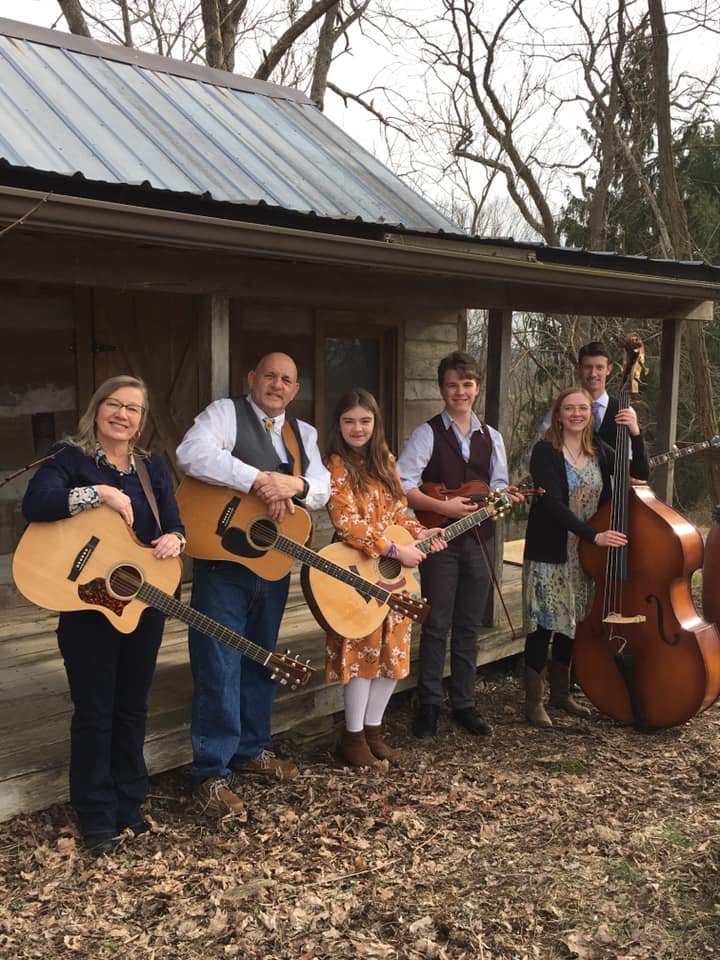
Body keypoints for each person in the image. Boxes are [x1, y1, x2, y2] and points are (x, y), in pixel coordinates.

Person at [22, 376, 185, 856]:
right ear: (96, 410)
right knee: (94, 711)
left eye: (133, 408)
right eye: (114, 404)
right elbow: (36, 504)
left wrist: (176, 538)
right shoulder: (68, 458)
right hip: (86, 606)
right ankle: (95, 815)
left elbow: (173, 522)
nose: (123, 414)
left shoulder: (152, 466)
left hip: (142, 600)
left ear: (141, 420)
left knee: (132, 707)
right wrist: (100, 494)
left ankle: (129, 805)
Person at [175, 352, 330, 817]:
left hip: (272, 564)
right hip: (222, 561)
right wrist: (259, 479)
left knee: (261, 657)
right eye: (269, 376)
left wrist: (293, 486)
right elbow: (192, 454)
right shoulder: (224, 413)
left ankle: (250, 750)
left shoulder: (304, 434)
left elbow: (322, 488)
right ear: (252, 378)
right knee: (217, 663)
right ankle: (210, 772)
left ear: (295, 388)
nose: (277, 385)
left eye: (287, 379)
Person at [397, 350, 519, 740]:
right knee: (437, 623)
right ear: (441, 389)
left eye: (467, 385)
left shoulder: (492, 437)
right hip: (439, 542)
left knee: (467, 626)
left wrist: (506, 498)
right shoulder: (427, 433)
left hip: (479, 541)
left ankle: (464, 703)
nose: (460, 392)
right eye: (452, 385)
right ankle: (429, 702)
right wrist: (441, 507)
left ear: (476, 388)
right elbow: (402, 484)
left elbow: (498, 485)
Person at [324, 389, 446, 768]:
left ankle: (374, 733)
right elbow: (346, 524)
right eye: (349, 421)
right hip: (356, 569)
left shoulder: (385, 461)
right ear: (338, 424)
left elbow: (399, 513)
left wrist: (418, 532)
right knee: (361, 653)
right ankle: (352, 737)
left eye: (365, 421)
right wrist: (395, 550)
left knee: (392, 651)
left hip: (394, 573)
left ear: (376, 423)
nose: (357, 428)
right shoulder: (335, 465)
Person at [522, 387, 649, 726]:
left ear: (591, 414)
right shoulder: (544, 453)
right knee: (543, 625)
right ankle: (533, 701)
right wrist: (594, 535)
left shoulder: (601, 451)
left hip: (584, 554)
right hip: (551, 551)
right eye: (569, 408)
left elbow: (641, 475)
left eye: (583, 408)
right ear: (558, 415)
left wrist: (635, 433)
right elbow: (552, 505)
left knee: (572, 622)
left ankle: (561, 695)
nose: (576, 413)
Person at [536, 341, 624, 449]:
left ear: (609, 369)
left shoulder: (623, 411)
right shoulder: (561, 410)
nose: (593, 374)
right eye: (588, 367)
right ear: (578, 368)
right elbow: (536, 455)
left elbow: (635, 460)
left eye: (599, 367)